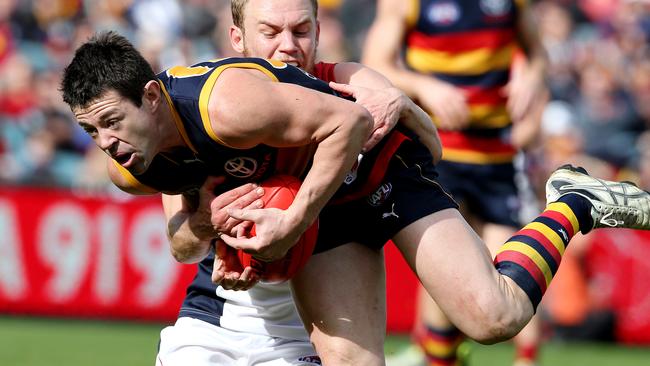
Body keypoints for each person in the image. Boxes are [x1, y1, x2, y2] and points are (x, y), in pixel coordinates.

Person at [61, 27, 650, 366]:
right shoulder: (133, 165)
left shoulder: (227, 102)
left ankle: (572, 202)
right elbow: (182, 243)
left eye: (112, 121)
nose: (106, 144)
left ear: (152, 96)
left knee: (495, 317)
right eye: (91, 131)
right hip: (325, 208)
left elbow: (348, 123)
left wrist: (291, 221)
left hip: (379, 167)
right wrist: (210, 225)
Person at [153, 0, 443, 364]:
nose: (288, 45)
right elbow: (181, 246)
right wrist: (204, 222)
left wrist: (403, 105)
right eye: (271, 32)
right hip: (214, 321)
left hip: (310, 336)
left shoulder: (350, 84)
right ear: (237, 39)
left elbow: (432, 155)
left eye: (301, 31)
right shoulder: (198, 108)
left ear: (318, 32)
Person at [362, 0, 549, 364]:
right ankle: (440, 355)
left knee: (508, 267)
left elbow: (538, 54)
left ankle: (525, 358)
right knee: (450, 272)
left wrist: (532, 76)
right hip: (436, 155)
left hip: (499, 157)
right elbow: (375, 65)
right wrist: (424, 86)